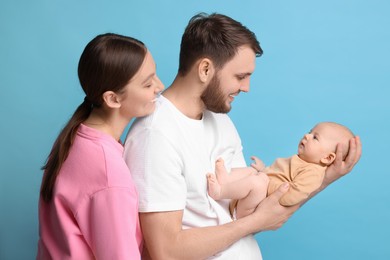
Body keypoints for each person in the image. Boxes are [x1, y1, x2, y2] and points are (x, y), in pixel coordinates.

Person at [124, 13, 361, 260]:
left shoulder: (221, 122)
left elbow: (256, 212)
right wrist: (253, 223)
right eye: (240, 77)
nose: (246, 87)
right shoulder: (156, 136)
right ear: (205, 69)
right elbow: (167, 251)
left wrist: (323, 176)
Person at [37, 33, 164, 259]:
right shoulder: (109, 176)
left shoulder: (75, 136)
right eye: (147, 83)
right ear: (113, 99)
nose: (159, 86)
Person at [207, 122, 356, 219]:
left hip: (248, 212)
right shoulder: (300, 160)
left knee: (257, 181)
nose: (306, 135)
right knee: (251, 172)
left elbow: (291, 196)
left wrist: (266, 182)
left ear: (328, 158)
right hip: (253, 197)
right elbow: (279, 175)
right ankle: (226, 181)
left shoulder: (313, 173)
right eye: (310, 131)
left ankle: (219, 192)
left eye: (315, 137)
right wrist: (264, 170)